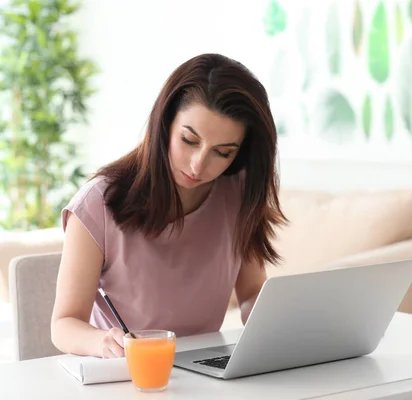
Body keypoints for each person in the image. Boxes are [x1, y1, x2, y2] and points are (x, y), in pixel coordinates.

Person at [50, 53, 287, 359]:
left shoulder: (238, 194)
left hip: (206, 372)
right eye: (189, 140)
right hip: (126, 373)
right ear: (165, 123)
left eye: (222, 152)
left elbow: (252, 292)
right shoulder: (97, 204)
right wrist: (103, 342)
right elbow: (64, 324)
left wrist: (278, 322)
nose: (198, 164)